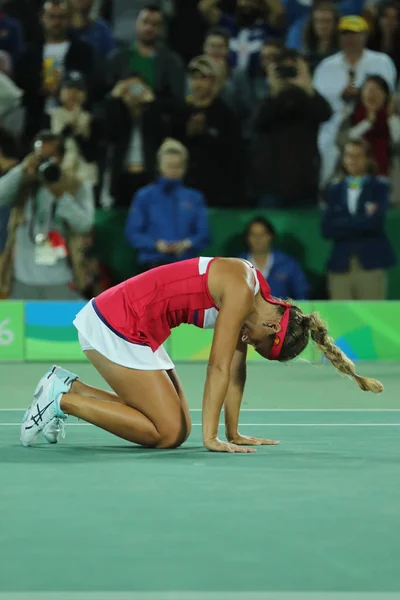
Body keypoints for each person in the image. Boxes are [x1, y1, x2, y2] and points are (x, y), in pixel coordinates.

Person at [20, 256, 383, 452]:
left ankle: (67, 386)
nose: (247, 340)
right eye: (256, 342)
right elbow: (219, 366)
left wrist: (233, 431)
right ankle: (63, 401)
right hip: (118, 321)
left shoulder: (258, 293)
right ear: (273, 328)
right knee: (166, 433)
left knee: (178, 429)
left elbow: (237, 370)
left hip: (140, 328)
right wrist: (211, 440)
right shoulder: (242, 291)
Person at [0, 130, 94, 299]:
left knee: (61, 325)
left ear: (62, 158)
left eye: (52, 156)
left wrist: (61, 196)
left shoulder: (76, 184)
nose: (46, 162)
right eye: (41, 157)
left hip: (61, 278)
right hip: (22, 279)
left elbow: (85, 225)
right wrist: (22, 169)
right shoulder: (23, 182)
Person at [313, 15, 397, 185]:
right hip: (334, 129)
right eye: (345, 34)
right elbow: (317, 100)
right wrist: (342, 94)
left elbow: (389, 96)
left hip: (375, 130)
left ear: (365, 35)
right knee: (330, 179)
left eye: (355, 34)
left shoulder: (381, 61)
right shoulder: (326, 66)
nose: (350, 39)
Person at [248, 49, 331, 207]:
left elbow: (325, 114)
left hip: (304, 182)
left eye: (293, 70)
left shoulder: (308, 97)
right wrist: (275, 90)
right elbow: (258, 122)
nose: (288, 75)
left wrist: (307, 86)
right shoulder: (270, 98)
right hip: (271, 183)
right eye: (284, 70)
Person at [15, 0, 97, 147]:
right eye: (51, 17)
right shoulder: (28, 53)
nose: (56, 22)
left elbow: (92, 86)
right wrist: (39, 89)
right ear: (42, 18)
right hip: (36, 122)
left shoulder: (83, 51)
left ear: (69, 18)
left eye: (61, 17)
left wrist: (65, 90)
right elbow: (20, 89)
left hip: (72, 124)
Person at [321, 139, 396, 300]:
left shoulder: (379, 187)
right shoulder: (334, 189)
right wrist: (361, 221)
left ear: (368, 159)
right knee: (342, 320)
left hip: (370, 263)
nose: (352, 160)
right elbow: (326, 229)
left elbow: (374, 224)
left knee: (371, 319)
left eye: (358, 155)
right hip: (340, 265)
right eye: (348, 155)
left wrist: (341, 222)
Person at [125, 138, 211, 272]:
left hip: (186, 265)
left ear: (184, 167)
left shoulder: (195, 198)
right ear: (159, 166)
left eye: (178, 166)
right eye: (169, 166)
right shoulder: (144, 196)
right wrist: (156, 245)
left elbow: (204, 234)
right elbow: (132, 233)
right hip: (151, 265)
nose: (173, 171)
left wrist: (186, 244)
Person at [171, 55, 242, 207]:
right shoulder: (179, 112)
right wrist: (188, 134)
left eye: (203, 78)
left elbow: (233, 156)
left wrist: (207, 134)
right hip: (184, 189)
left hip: (216, 191)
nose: (197, 84)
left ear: (214, 81)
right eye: (194, 78)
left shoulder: (226, 114)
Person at [106, 4, 184, 100]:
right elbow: (105, 94)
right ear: (136, 23)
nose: (148, 28)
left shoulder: (172, 62)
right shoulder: (117, 58)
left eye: (154, 24)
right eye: (145, 22)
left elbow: (176, 98)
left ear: (162, 29)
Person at [337, 75, 400, 176]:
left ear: (386, 95)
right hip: (354, 178)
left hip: (387, 178)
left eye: (378, 89)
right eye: (368, 89)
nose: (372, 94)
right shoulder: (353, 116)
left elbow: (397, 144)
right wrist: (367, 123)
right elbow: (341, 141)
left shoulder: (393, 118)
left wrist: (392, 117)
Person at [240, 216, 309, 299]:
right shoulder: (237, 265)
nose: (257, 239)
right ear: (247, 238)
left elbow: (302, 296)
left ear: (271, 236)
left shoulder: (288, 264)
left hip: (281, 311)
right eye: (253, 235)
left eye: (262, 234)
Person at [291, 2, 339, 73]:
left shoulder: (341, 53)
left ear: (335, 23)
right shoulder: (307, 55)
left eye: (327, 21)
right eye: (318, 21)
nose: (323, 26)